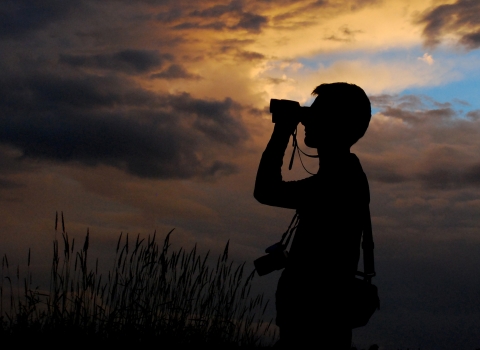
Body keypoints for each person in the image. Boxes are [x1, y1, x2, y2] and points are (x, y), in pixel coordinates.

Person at [254, 82, 372, 349]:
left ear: (333, 123)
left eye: (314, 114)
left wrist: (282, 130)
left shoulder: (339, 183)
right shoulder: (344, 176)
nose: (306, 121)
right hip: (318, 325)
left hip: (312, 330)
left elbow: (266, 191)